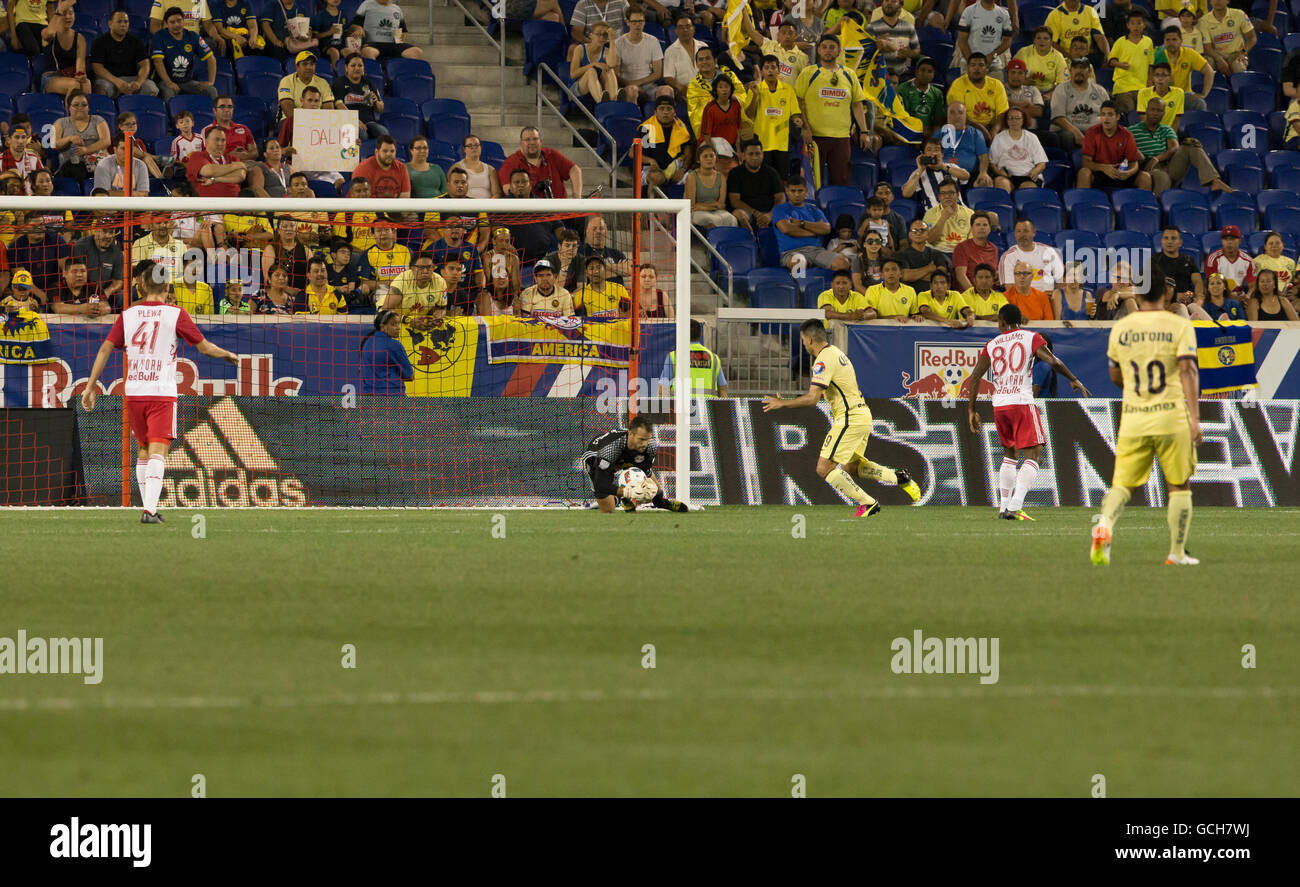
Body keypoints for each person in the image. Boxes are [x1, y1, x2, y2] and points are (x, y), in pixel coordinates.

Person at [80, 259, 239, 523]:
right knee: (158, 450)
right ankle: (149, 511)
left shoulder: (128, 314)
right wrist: (227, 354)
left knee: (143, 449)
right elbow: (204, 347)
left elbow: (105, 348)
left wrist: (90, 386)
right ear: (167, 285)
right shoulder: (176, 314)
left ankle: (149, 507)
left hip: (135, 391)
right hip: (161, 391)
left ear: (141, 285)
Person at [762, 318, 921, 516]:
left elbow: (812, 398)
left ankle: (869, 503)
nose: (803, 344)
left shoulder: (823, 360)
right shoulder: (837, 353)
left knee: (824, 467)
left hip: (850, 418)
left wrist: (782, 403)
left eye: (803, 340)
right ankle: (898, 477)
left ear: (810, 339)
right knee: (851, 467)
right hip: (862, 415)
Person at [1091, 282, 1201, 565]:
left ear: (1137, 296)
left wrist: (1137, 391)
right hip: (1171, 416)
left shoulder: (1122, 329)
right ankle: (1176, 553)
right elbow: (1188, 369)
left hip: (1134, 417)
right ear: (1165, 293)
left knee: (1122, 485)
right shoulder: (1178, 324)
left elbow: (1115, 375)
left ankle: (1104, 525)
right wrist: (1195, 418)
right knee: (1178, 484)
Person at [967, 304, 1089, 521]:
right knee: (1034, 456)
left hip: (1000, 404)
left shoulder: (992, 344)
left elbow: (975, 377)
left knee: (1009, 454)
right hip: (1021, 402)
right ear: (1020, 321)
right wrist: (1074, 379)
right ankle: (1015, 505)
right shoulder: (1029, 337)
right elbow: (1054, 361)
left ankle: (1003, 507)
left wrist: (971, 410)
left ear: (1001, 322)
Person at [794, 35, 870, 186]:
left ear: (839, 51)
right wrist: (805, 128)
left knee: (841, 181)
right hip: (814, 137)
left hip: (841, 137)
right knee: (811, 182)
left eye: (832, 47)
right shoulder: (808, 73)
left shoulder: (850, 75)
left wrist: (864, 131)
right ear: (819, 51)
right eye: (824, 47)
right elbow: (798, 102)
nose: (828, 50)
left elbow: (857, 105)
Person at [581, 416, 690, 514]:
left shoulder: (650, 446)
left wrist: (654, 495)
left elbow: (647, 473)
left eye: (647, 439)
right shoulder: (610, 449)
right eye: (641, 439)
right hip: (596, 461)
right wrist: (628, 492)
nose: (644, 444)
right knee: (609, 509)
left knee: (650, 480)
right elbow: (601, 484)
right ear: (630, 434)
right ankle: (622, 499)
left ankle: (662, 503)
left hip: (624, 457)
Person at [1129, 96, 1230, 194]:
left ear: (1163, 113)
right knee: (1163, 177)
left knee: (1191, 144)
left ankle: (1215, 181)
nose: (1155, 113)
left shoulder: (1166, 129)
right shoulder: (1132, 131)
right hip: (1147, 168)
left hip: (1169, 164)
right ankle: (1160, 206)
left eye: (1159, 111)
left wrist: (1157, 158)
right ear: (1146, 111)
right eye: (1152, 109)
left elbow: (1174, 147)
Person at [773, 175, 847, 273]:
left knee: (843, 263)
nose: (796, 194)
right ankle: (802, 288)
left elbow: (826, 229)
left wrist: (801, 223)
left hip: (816, 251)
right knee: (798, 262)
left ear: (806, 191)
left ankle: (830, 287)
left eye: (800, 191)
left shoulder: (814, 210)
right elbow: (787, 229)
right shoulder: (780, 209)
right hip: (791, 252)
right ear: (787, 191)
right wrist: (814, 232)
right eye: (793, 191)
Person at [746, 54, 802, 181]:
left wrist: (797, 120)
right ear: (761, 71)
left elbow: (795, 114)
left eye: (773, 67)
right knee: (762, 179)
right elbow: (749, 115)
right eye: (766, 68)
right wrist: (755, 96)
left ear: (779, 70)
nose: (770, 71)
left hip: (782, 143)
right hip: (762, 143)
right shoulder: (756, 89)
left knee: (782, 179)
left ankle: (781, 201)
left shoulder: (788, 90)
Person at [1077, 100, 1150, 190]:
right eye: (1103, 114)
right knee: (1084, 173)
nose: (1106, 118)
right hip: (1100, 173)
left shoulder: (1126, 134)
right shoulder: (1091, 132)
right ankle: (1083, 203)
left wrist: (1128, 173)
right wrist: (1103, 167)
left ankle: (1142, 204)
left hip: (1121, 173)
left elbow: (1133, 162)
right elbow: (1086, 162)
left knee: (1145, 177)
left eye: (1110, 115)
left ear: (1118, 117)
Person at [152, 6, 218, 102]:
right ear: (166, 24)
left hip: (186, 82)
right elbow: (157, 62)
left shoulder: (193, 36)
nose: (176, 24)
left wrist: (211, 81)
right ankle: (169, 117)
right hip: (164, 81)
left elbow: (211, 58)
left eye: (179, 21)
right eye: (172, 22)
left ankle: (214, 116)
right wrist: (169, 82)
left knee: (211, 90)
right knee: (168, 93)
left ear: (184, 21)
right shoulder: (159, 36)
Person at [498, 127, 581, 199]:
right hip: (529, 213)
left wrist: (576, 197)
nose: (532, 142)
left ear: (540, 142)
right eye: (527, 139)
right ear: (521, 143)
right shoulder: (511, 162)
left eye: (535, 139)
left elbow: (575, 170)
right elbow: (508, 189)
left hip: (560, 211)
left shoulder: (551, 154)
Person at [91, 10, 159, 98]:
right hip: (109, 79)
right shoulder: (99, 42)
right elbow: (97, 67)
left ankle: (144, 110)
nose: (123, 24)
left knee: (151, 88)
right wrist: (117, 81)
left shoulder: (136, 42)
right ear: (110, 24)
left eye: (126, 22)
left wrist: (139, 82)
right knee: (102, 88)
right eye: (119, 21)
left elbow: (145, 65)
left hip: (131, 79)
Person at [686, 46, 748, 139]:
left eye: (707, 58)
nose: (704, 62)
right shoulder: (694, 86)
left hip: (734, 124)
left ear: (715, 61)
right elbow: (695, 114)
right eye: (701, 60)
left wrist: (734, 98)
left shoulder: (728, 74)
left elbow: (741, 93)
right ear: (697, 64)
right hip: (713, 131)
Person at [659, 318, 727, 400]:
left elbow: (663, 388)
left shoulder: (674, 356)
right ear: (700, 334)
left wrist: (663, 409)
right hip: (706, 408)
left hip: (680, 407)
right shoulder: (714, 358)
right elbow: (722, 389)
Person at [1049, 58, 1109, 152]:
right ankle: (1070, 164)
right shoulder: (1061, 89)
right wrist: (1076, 132)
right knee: (1067, 136)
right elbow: (1058, 118)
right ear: (1070, 71)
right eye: (1075, 68)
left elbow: (1109, 115)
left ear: (1089, 72)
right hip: (1068, 130)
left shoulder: (1100, 91)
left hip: (1094, 130)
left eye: (1082, 68)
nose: (1079, 71)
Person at [727, 140, 786, 231]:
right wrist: (755, 213)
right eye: (750, 154)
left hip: (768, 211)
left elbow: (781, 198)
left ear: (762, 155)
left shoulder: (771, 172)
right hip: (747, 211)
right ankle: (751, 238)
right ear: (744, 156)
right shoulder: (735, 173)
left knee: (787, 214)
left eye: (758, 154)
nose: (754, 157)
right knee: (739, 214)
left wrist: (770, 215)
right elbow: (734, 201)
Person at [947, 52, 1008, 142]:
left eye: (981, 65)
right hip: (967, 126)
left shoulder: (996, 85)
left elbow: (1002, 113)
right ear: (967, 68)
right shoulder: (958, 84)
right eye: (973, 65)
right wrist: (982, 130)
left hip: (992, 127)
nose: (976, 68)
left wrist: (994, 131)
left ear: (987, 68)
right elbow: (958, 115)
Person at [52, 91, 110, 183]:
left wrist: (86, 150)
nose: (80, 108)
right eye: (76, 105)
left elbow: (106, 141)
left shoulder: (98, 120)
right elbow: (53, 144)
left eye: (84, 105)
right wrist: (69, 138)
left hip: (95, 162)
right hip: (70, 165)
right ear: (68, 107)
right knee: (76, 168)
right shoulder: (60, 122)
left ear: (88, 107)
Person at [1152, 25, 1213, 112]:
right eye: (1167, 40)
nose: (1171, 43)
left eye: (1174, 40)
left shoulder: (1189, 53)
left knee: (1199, 103)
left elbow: (1209, 71)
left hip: (1183, 95)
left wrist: (1204, 94)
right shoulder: (1157, 55)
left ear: (1181, 41)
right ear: (1164, 42)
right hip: (1163, 95)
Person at [936, 102, 994, 190]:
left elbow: (983, 156)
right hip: (945, 174)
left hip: (971, 176)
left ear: (965, 116)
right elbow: (931, 152)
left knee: (984, 182)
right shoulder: (940, 133)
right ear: (947, 116)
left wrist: (983, 173)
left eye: (960, 112)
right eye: (952, 112)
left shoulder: (975, 133)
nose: (956, 116)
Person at [988, 107, 1046, 193]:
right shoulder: (999, 138)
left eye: (1017, 118)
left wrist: (1036, 171)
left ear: (1023, 120)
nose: (1014, 121)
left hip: (1028, 177)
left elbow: (1042, 163)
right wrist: (1000, 173)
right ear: (1006, 121)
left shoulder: (1032, 137)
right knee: (1001, 184)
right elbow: (993, 164)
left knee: (1026, 192)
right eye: (1010, 118)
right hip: (1006, 176)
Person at [903, 136, 969, 212]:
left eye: (937, 150)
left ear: (942, 154)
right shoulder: (918, 173)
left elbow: (966, 176)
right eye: (929, 150)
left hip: (959, 211)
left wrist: (943, 166)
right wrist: (920, 170)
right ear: (923, 154)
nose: (933, 153)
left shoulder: (951, 167)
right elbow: (906, 193)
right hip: (934, 214)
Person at [357, 309, 414, 395]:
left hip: (368, 399)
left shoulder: (367, 342)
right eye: (393, 324)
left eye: (398, 323)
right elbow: (409, 376)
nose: (398, 327)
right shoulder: (394, 345)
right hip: (392, 398)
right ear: (382, 326)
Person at [1107, 9, 1154, 113]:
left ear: (1144, 25)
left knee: (1145, 115)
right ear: (1128, 25)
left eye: (1139, 23)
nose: (1136, 26)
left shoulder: (1148, 42)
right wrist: (1119, 64)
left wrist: (1150, 80)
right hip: (1123, 87)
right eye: (1133, 23)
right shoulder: (1120, 41)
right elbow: (1110, 61)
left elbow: (1151, 64)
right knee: (1129, 114)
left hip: (1143, 88)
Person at [41, 3, 92, 98]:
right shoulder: (46, 32)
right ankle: (70, 112)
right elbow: (50, 33)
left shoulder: (80, 38)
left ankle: (85, 112)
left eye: (71, 13)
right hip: (51, 77)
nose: (68, 17)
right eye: (64, 14)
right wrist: (58, 11)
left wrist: (81, 75)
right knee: (74, 84)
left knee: (86, 83)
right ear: (58, 15)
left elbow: (80, 65)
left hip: (71, 75)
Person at [642, 94, 693, 189]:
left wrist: (683, 169)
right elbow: (633, 153)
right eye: (661, 109)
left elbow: (688, 153)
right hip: (651, 169)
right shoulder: (646, 127)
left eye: (669, 109)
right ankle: (653, 204)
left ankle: (691, 204)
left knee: (694, 179)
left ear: (674, 112)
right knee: (656, 178)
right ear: (655, 112)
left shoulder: (682, 128)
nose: (665, 112)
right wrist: (650, 161)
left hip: (675, 167)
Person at [332, 52, 387, 140]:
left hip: (369, 122)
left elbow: (380, 109)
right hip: (348, 122)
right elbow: (339, 105)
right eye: (353, 65)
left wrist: (376, 101)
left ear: (364, 68)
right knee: (362, 135)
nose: (357, 68)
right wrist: (354, 120)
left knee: (383, 133)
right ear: (346, 68)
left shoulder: (369, 83)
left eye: (360, 65)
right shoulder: (339, 83)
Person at [615, 8, 663, 105]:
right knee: (632, 90)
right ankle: (633, 118)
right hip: (627, 85)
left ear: (644, 22)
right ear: (627, 22)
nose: (638, 24)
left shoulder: (653, 41)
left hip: (649, 85)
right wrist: (631, 83)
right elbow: (615, 74)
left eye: (641, 21)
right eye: (634, 22)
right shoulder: (618, 43)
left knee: (667, 90)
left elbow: (658, 73)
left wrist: (639, 82)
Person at [569, 20, 620, 104]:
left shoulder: (606, 51)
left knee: (609, 70)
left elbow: (612, 64)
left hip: (598, 87)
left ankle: (613, 100)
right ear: (591, 35)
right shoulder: (580, 49)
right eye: (598, 34)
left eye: (605, 35)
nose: (602, 38)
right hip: (578, 88)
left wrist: (612, 40)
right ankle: (601, 102)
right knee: (591, 71)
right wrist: (593, 64)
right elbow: (573, 74)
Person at [685, 142, 735, 229]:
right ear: (698, 160)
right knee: (711, 219)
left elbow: (722, 205)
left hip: (715, 210)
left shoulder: (721, 177)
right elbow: (692, 206)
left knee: (731, 219)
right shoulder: (692, 177)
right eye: (705, 156)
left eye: (712, 156)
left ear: (716, 158)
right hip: (697, 212)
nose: (709, 159)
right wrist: (714, 206)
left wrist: (703, 206)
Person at [868, 0, 922, 78]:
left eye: (893, 1)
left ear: (900, 6)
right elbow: (865, 52)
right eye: (886, 0)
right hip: (877, 76)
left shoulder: (909, 27)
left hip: (902, 76)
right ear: (882, 4)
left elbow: (917, 51)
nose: (889, 3)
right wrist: (876, 44)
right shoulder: (871, 28)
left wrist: (910, 53)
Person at [1199, 0, 1255, 75]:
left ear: (1228, 1)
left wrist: (1243, 52)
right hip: (1215, 56)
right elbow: (1207, 48)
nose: (1217, 1)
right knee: (1207, 65)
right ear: (1210, 2)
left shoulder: (1239, 14)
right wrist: (1219, 59)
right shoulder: (1203, 21)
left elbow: (1252, 38)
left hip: (1235, 54)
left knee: (1238, 66)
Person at [355, 0, 423, 61]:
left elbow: (403, 31)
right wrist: (358, 28)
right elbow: (355, 25)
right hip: (372, 44)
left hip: (393, 44)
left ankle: (410, 74)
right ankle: (375, 74)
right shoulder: (366, 4)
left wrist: (401, 37)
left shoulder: (397, 9)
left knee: (417, 52)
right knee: (368, 52)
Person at [1014, 27, 1069, 100]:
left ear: (1051, 42)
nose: (1042, 41)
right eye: (1038, 38)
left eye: (1046, 38)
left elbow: (1062, 84)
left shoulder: (1058, 57)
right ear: (1034, 40)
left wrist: (1048, 96)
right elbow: (1012, 75)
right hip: (1025, 90)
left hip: (1049, 92)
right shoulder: (1023, 52)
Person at [898, 57, 947, 138]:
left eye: (930, 71)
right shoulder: (903, 89)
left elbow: (938, 120)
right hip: (907, 130)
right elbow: (901, 117)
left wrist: (933, 137)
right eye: (923, 70)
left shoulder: (937, 93)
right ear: (916, 72)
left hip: (928, 132)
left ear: (933, 74)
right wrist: (918, 130)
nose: (926, 74)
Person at [922, 178, 974, 255]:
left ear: (958, 195)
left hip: (961, 253)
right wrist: (943, 218)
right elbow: (930, 239)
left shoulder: (970, 213)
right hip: (937, 253)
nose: (947, 196)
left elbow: (973, 242)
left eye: (951, 193)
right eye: (943, 193)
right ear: (939, 197)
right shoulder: (930, 213)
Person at [661, 13, 707, 98]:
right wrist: (680, 87)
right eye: (681, 27)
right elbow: (668, 77)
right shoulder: (670, 51)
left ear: (693, 29)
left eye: (688, 26)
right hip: (685, 92)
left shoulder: (703, 46)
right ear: (676, 31)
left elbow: (713, 69)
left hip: (706, 89)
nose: (685, 30)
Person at [351, 135, 410, 199]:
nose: (389, 154)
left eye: (392, 151)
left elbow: (405, 197)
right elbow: (360, 200)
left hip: (394, 208)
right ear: (376, 152)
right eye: (385, 151)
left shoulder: (402, 168)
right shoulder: (363, 169)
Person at [894, 219, 950, 287]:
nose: (918, 233)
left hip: (933, 294)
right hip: (913, 294)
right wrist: (928, 269)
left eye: (922, 230)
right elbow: (906, 276)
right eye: (914, 231)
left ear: (928, 234)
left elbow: (941, 276)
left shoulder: (936, 253)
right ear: (909, 234)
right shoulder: (901, 255)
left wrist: (915, 276)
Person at [952, 211, 998, 290]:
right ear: (972, 229)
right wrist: (974, 296)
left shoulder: (994, 248)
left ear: (989, 229)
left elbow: (994, 272)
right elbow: (961, 276)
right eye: (978, 225)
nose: (981, 228)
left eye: (985, 225)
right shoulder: (961, 247)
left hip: (989, 294)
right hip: (969, 294)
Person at [94, 133, 150, 197]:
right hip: (111, 205)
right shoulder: (103, 165)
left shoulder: (141, 165)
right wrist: (134, 194)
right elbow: (101, 195)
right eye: (123, 148)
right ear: (115, 150)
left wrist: (115, 194)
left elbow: (144, 194)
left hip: (134, 205)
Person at [1137, 61, 1186, 131]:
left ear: (1170, 78)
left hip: (1168, 133)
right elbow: (1144, 120)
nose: (1160, 79)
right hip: (1149, 133)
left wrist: (1171, 136)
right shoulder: (1143, 93)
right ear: (1153, 78)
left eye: (1164, 75)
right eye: (1157, 75)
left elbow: (1176, 121)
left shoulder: (1178, 93)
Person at [1204, 224, 1253, 291]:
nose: (1229, 242)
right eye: (1225, 239)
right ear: (1222, 241)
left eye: (1233, 239)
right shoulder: (1212, 259)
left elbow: (1252, 287)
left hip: (1241, 297)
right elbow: (1213, 286)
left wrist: (1247, 297)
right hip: (1220, 296)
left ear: (1240, 240)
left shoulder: (1248, 261)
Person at [1003, 59, 1045, 128]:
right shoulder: (1001, 89)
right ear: (1007, 74)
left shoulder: (1033, 89)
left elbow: (1038, 112)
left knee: (1052, 137)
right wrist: (1025, 104)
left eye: (1020, 73)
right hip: (1007, 131)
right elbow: (1001, 110)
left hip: (1031, 132)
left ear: (1025, 75)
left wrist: (1011, 106)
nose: (1016, 76)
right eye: (1013, 72)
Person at [1252, 231, 1296, 296]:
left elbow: (1294, 282)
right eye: (1271, 243)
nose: (1274, 246)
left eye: (1277, 243)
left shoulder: (1291, 262)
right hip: (1265, 296)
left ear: (1283, 245)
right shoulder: (1256, 261)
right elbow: (1254, 285)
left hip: (1287, 296)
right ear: (1265, 246)